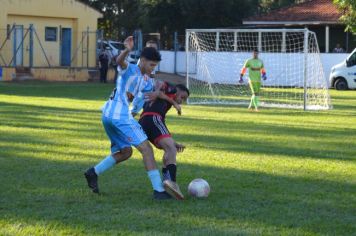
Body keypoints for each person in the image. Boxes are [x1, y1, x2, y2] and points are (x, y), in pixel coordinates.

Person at [84, 36, 178, 200]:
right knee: (146, 149)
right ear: (142, 60)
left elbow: (151, 92)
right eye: (151, 65)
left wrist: (159, 94)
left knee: (126, 152)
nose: (152, 68)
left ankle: (93, 172)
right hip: (119, 116)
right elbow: (119, 61)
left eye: (155, 66)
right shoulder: (130, 69)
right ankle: (158, 191)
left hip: (108, 115)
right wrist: (127, 49)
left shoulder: (146, 80)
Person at [138, 83, 190, 200]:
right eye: (182, 97)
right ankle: (172, 183)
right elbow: (161, 84)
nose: (181, 101)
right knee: (170, 149)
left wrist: (173, 142)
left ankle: (166, 182)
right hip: (153, 118)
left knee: (169, 147)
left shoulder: (164, 98)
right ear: (177, 90)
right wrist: (174, 103)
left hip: (144, 121)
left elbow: (162, 128)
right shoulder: (172, 89)